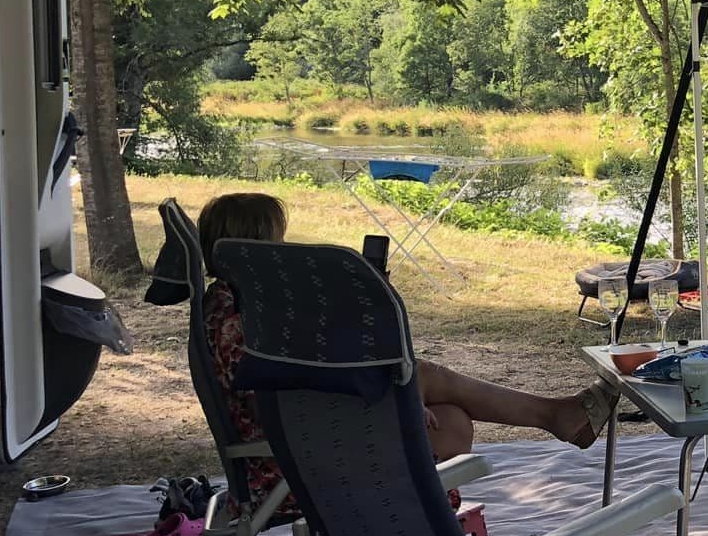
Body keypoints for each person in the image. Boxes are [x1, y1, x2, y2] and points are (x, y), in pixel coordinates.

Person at [196, 193, 614, 507]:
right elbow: (279, 397)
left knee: (449, 419)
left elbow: (301, 368)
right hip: (293, 465)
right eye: (277, 240)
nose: (283, 250)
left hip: (303, 440)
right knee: (422, 381)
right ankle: (554, 416)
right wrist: (391, 404)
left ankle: (555, 416)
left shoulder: (235, 302)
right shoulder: (235, 320)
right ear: (250, 248)